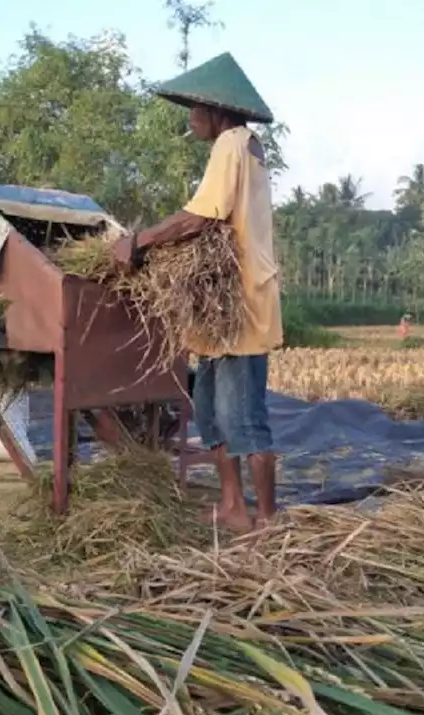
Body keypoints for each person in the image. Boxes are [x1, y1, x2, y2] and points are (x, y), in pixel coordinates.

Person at [110, 53, 282, 532]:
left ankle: (266, 521)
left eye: (193, 110)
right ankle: (232, 506)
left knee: (243, 415)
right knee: (208, 409)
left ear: (215, 109)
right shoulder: (240, 145)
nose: (189, 120)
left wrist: (138, 242)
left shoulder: (234, 142)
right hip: (218, 307)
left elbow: (199, 217)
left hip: (240, 304)